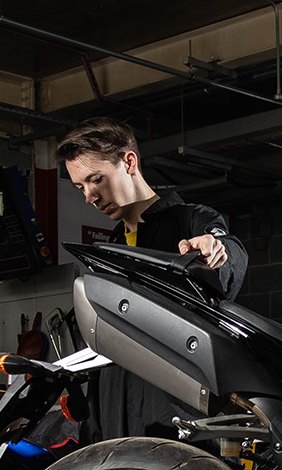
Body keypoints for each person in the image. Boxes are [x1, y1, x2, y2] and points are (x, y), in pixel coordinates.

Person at [56, 117, 249, 440]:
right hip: (114, 414)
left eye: (95, 180)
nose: (89, 195)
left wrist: (215, 250)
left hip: (175, 414)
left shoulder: (191, 221)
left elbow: (225, 250)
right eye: (80, 187)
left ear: (129, 161)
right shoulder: (110, 251)